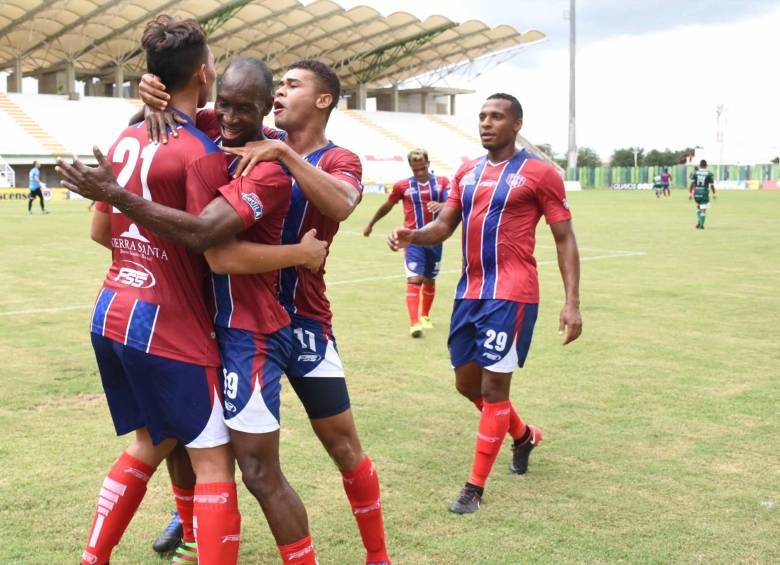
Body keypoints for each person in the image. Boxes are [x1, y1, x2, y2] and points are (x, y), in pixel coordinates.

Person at [60, 57, 329, 565]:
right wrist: (149, 96)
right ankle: (188, 539)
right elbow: (173, 114)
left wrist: (300, 253)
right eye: (223, 104)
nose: (228, 117)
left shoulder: (268, 167)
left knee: (256, 472)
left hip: (248, 332)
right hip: (198, 325)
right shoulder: (206, 126)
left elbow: (218, 252)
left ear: (265, 108)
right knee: (175, 442)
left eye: (243, 108)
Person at [138, 58, 392, 565]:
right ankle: (191, 523)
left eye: (292, 85)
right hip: (239, 320)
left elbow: (342, 203)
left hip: (306, 321)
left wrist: (283, 153)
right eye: (278, 85)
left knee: (343, 446)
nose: (280, 93)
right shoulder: (247, 129)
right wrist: (150, 93)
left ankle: (378, 555)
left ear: (323, 99)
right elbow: (177, 115)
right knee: (204, 437)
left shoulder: (338, 158)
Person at [57, 16, 243, 565]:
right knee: (214, 462)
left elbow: (101, 231)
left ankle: (93, 558)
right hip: (170, 323)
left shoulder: (125, 138)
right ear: (203, 74)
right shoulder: (200, 152)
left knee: (149, 443)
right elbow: (214, 248)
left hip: (112, 311)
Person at [388, 93, 582, 514]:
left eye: (496, 116)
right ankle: (524, 435)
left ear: (517, 125)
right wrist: (412, 235)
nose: (486, 123)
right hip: (469, 292)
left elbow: (564, 237)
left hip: (512, 293)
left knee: (494, 389)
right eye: (482, 116)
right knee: (467, 384)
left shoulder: (540, 173)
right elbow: (444, 225)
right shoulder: (467, 172)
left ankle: (473, 489)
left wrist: (572, 302)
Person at [363, 149, 449, 337]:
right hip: (412, 239)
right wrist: (371, 223)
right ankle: (414, 323)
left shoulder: (442, 182)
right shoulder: (402, 186)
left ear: (428, 163)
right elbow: (387, 205)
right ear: (411, 167)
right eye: (415, 169)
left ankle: (425, 315)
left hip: (435, 238)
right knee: (414, 278)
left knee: (430, 279)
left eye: (423, 168)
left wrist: (441, 205)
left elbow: (453, 203)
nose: (420, 172)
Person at [690, 159, 716, 229]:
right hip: (704, 192)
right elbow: (712, 185)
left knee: (698, 207)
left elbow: (692, 184)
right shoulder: (709, 173)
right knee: (703, 210)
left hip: (696, 192)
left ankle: (699, 222)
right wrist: (714, 194)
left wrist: (690, 194)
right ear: (706, 165)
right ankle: (701, 225)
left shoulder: (695, 173)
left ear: (700, 165)